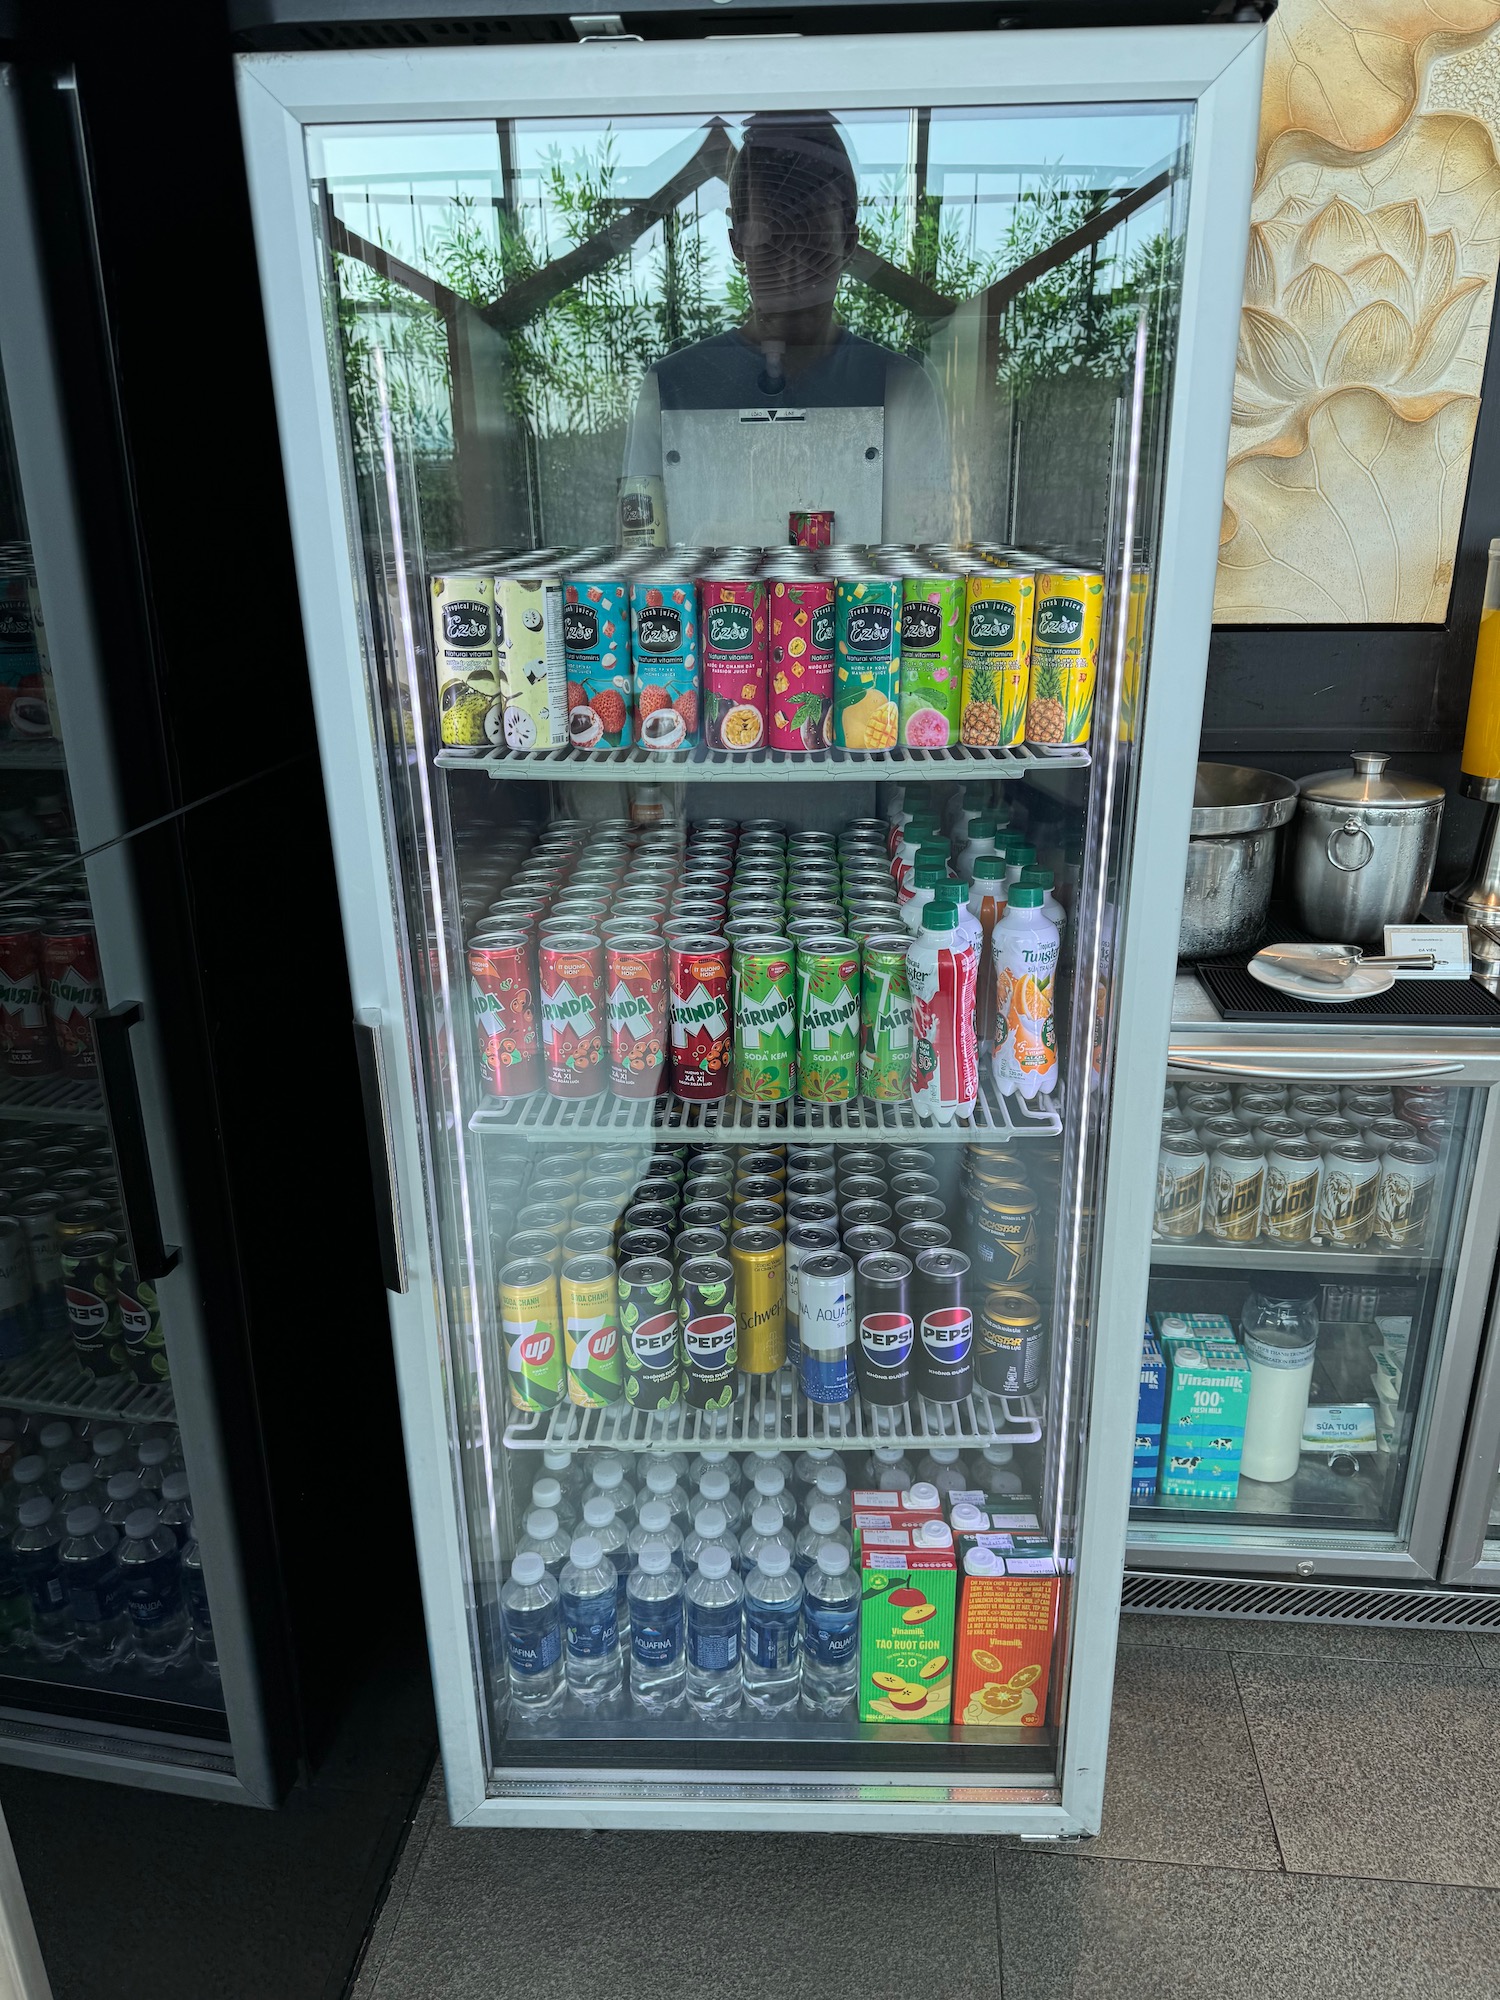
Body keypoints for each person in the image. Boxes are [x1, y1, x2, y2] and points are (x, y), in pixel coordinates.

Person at [624, 112, 948, 541]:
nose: (792, 258)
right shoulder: (668, 388)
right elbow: (642, 563)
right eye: (771, 230)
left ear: (848, 241)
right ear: (736, 240)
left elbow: (924, 562)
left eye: (809, 227)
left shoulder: (904, 388)